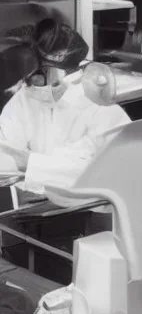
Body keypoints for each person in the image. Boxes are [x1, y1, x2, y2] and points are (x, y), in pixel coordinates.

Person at [0, 19, 130, 195]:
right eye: (29, 79)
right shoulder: (23, 101)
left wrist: (29, 164)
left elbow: (109, 173)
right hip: (41, 206)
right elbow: (6, 160)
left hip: (99, 207)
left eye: (40, 76)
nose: (32, 85)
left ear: (69, 71)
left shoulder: (97, 104)